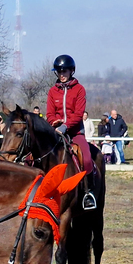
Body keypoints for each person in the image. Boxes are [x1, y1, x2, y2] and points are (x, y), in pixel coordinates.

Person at [46, 54, 96, 208]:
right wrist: (54, 122)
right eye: (59, 72)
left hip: (75, 133)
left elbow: (78, 114)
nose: (62, 75)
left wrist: (65, 126)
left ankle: (88, 193)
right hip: (56, 132)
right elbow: (49, 114)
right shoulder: (52, 91)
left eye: (65, 71)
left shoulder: (79, 90)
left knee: (86, 158)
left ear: (71, 71)